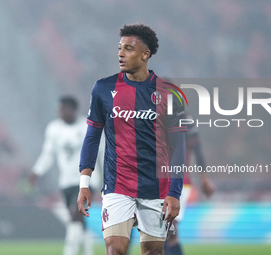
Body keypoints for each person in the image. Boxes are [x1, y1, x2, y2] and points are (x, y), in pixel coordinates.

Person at [77, 23, 187, 255]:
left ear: (145, 54)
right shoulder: (103, 89)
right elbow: (92, 137)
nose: (120, 53)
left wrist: (175, 193)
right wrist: (84, 184)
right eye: (120, 48)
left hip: (157, 188)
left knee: (153, 252)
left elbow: (179, 147)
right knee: (115, 250)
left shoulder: (169, 93)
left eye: (128, 48)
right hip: (117, 186)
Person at [30, 96, 95, 255]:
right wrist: (36, 172)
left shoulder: (87, 126)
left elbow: (100, 152)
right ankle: (88, 251)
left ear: (73, 110)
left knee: (75, 216)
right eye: (60, 109)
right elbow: (48, 154)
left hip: (86, 181)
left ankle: (69, 252)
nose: (61, 112)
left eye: (64, 109)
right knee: (79, 222)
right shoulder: (54, 129)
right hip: (65, 182)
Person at [164, 118, 215, 255]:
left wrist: (204, 179)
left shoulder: (185, 120)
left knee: (167, 228)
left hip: (180, 182)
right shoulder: (152, 114)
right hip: (159, 181)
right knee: (166, 231)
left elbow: (197, 150)